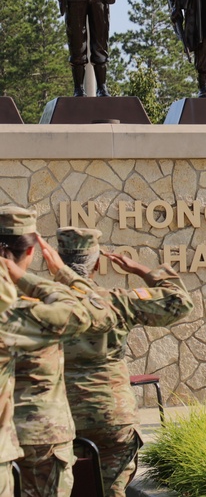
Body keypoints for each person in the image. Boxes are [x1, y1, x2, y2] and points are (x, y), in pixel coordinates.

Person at [59, 227, 193, 497]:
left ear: (57, 262)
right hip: (112, 416)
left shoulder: (36, 303)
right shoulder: (117, 301)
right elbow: (180, 303)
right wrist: (143, 271)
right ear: (97, 263)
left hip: (57, 417)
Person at [0, 207, 121, 497]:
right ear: (32, 252)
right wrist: (57, 275)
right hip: (42, 433)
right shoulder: (29, 311)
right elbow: (91, 313)